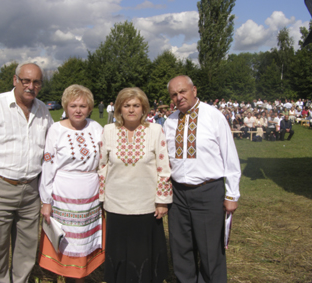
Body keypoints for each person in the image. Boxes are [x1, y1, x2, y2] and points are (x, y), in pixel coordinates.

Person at [0, 62, 54, 282]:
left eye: (36, 82)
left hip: (31, 189)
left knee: (26, 247)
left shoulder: (43, 110)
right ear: (15, 80)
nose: (30, 86)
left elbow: (54, 144)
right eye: (26, 80)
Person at [163, 75, 241, 283]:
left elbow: (230, 157)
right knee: (181, 247)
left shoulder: (213, 116)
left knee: (210, 250)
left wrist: (232, 194)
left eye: (182, 92)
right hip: (178, 194)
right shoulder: (169, 122)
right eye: (174, 94)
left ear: (194, 90)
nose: (178, 98)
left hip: (208, 191)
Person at [99, 87, 172, 283]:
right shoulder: (108, 131)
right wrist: (101, 200)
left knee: (143, 254)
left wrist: (162, 201)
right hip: (116, 204)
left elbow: (163, 167)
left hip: (146, 205)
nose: (131, 110)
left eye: (136, 105)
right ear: (119, 109)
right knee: (119, 252)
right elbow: (102, 167)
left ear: (144, 108)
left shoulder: (155, 130)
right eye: (127, 105)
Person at [38, 85, 104, 282]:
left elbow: (104, 162)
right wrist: (46, 201)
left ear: (90, 108)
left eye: (83, 106)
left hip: (90, 195)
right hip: (63, 193)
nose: (78, 110)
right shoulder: (56, 130)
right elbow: (48, 166)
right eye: (73, 105)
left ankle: (80, 277)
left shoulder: (96, 128)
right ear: (65, 107)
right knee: (65, 242)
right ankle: (66, 277)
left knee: (84, 242)